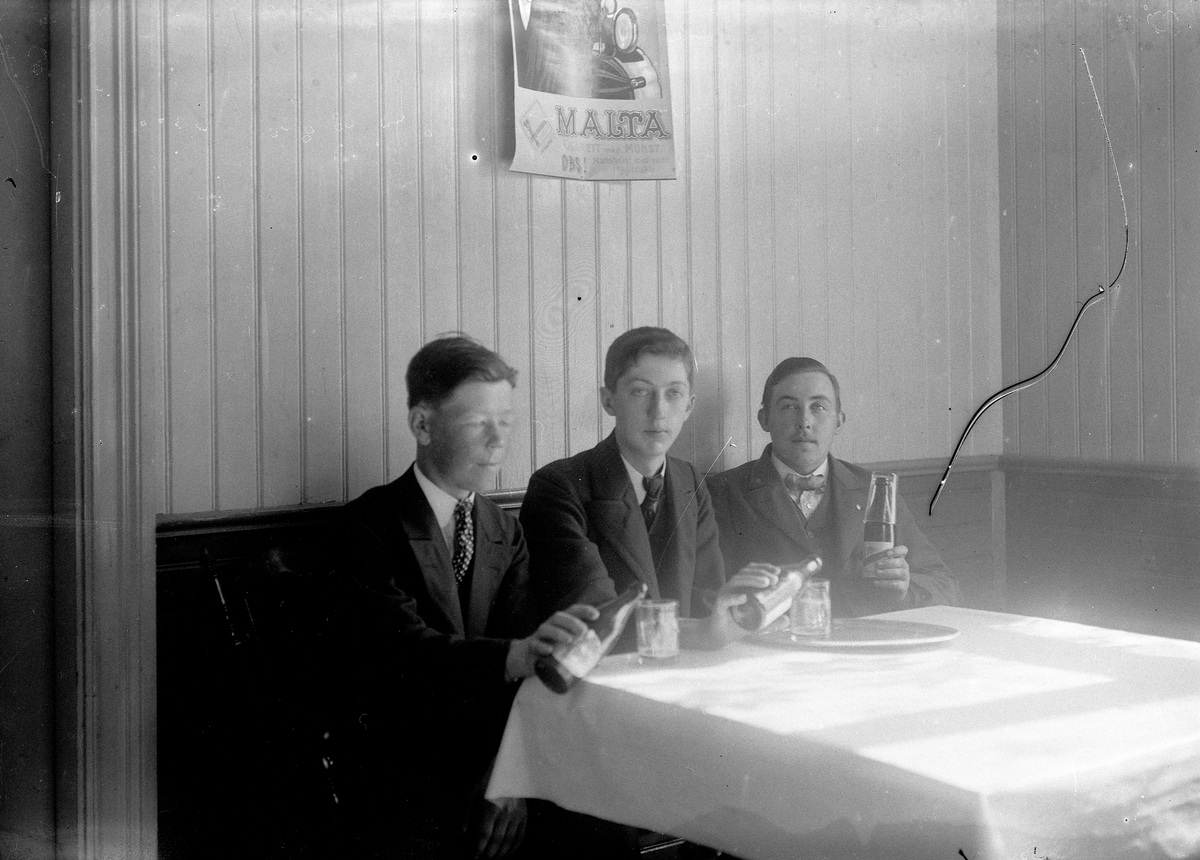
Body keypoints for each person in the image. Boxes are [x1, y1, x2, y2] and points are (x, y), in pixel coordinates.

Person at [326, 335, 599, 860]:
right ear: (422, 425)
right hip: (399, 771)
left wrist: (508, 776)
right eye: (478, 422)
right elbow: (401, 654)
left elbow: (524, 674)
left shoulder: (504, 530)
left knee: (599, 831)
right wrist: (515, 657)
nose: (498, 441)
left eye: (507, 422)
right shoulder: (366, 527)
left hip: (490, 762)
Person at [520, 326, 776, 652]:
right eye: (641, 391)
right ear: (608, 400)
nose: (658, 411)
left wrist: (733, 607)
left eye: (674, 394)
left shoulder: (689, 481)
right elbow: (596, 618)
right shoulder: (559, 486)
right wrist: (700, 631)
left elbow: (706, 597)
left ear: (689, 406)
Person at [707, 357, 962, 618]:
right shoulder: (721, 493)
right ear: (764, 419)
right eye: (788, 407)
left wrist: (904, 590)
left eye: (818, 407)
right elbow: (705, 595)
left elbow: (945, 585)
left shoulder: (875, 490)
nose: (804, 421)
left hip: (861, 641)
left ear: (839, 421)